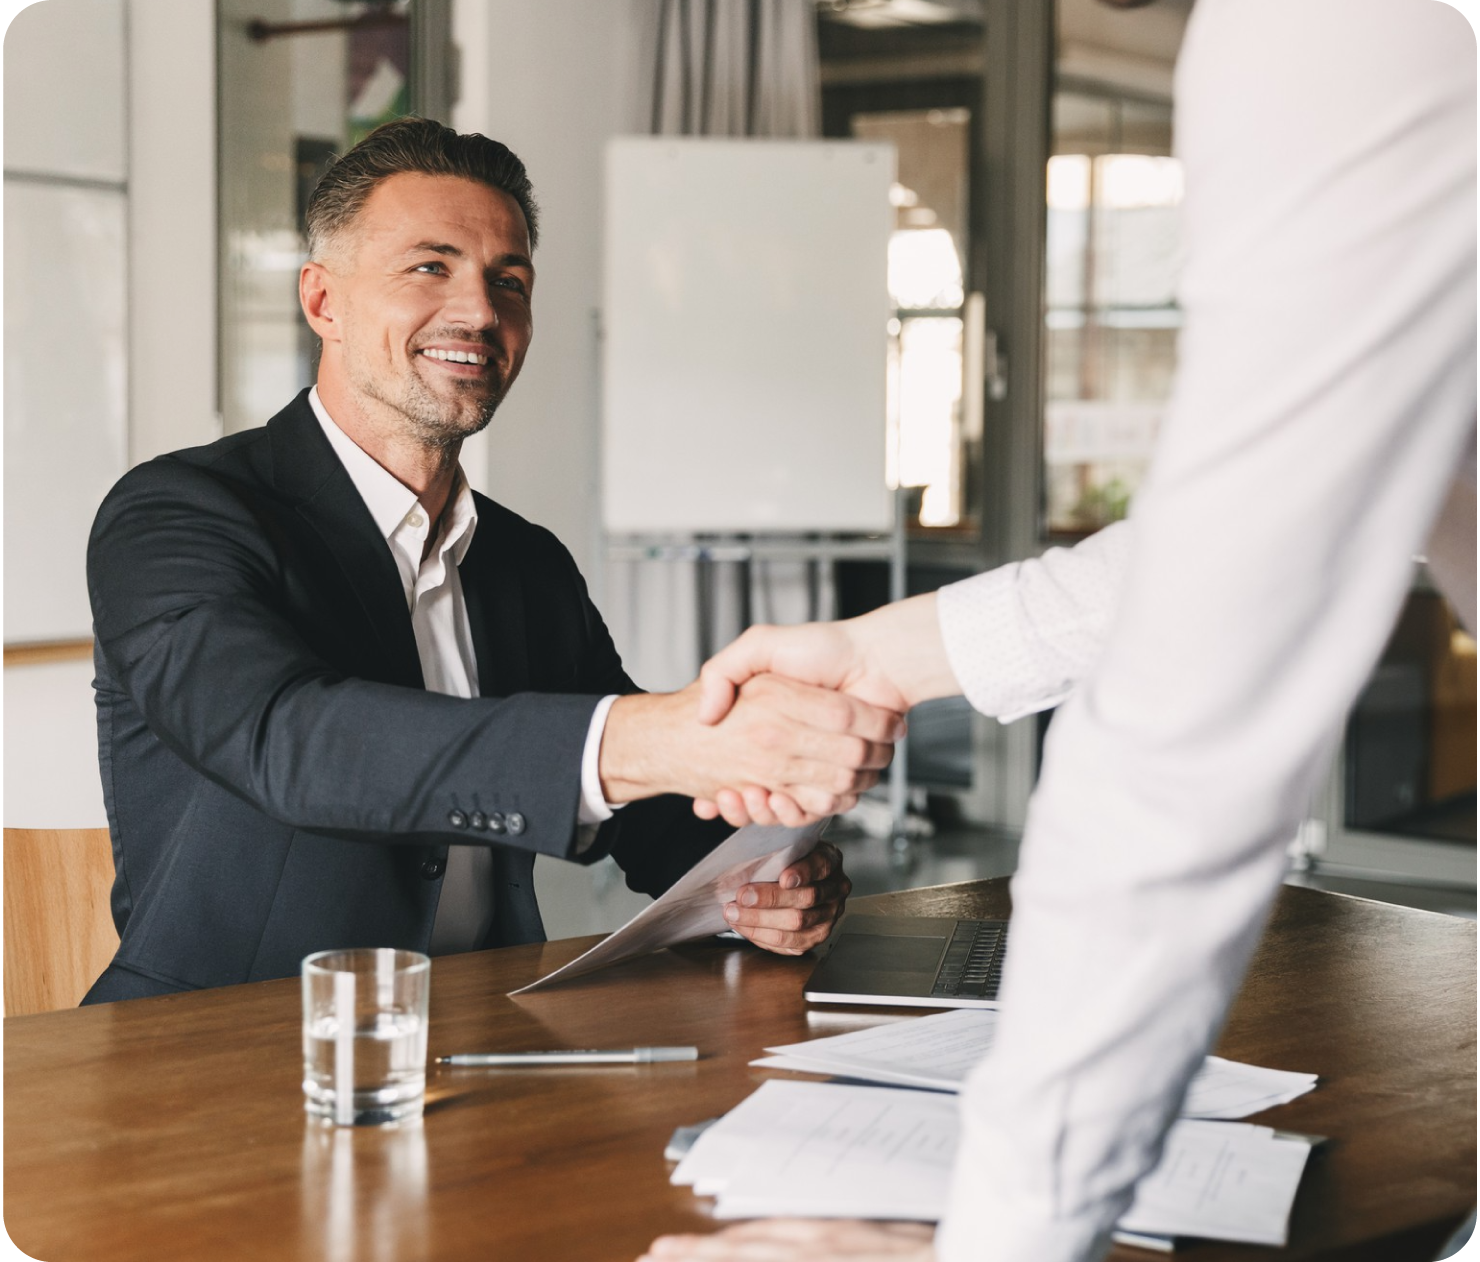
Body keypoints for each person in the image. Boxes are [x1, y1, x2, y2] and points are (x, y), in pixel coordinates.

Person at [641, 1, 1476, 1259]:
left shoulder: (1337, 26)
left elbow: (1197, 703)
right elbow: (1220, 548)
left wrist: (998, 1237)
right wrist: (876, 657)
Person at [83, 118, 897, 1003]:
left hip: (485, 1032)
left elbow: (638, 810)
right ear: (323, 302)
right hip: (218, 1051)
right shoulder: (177, 514)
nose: (479, 311)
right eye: (429, 267)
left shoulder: (525, 561)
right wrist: (650, 735)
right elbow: (289, 741)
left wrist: (753, 884)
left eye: (508, 281)